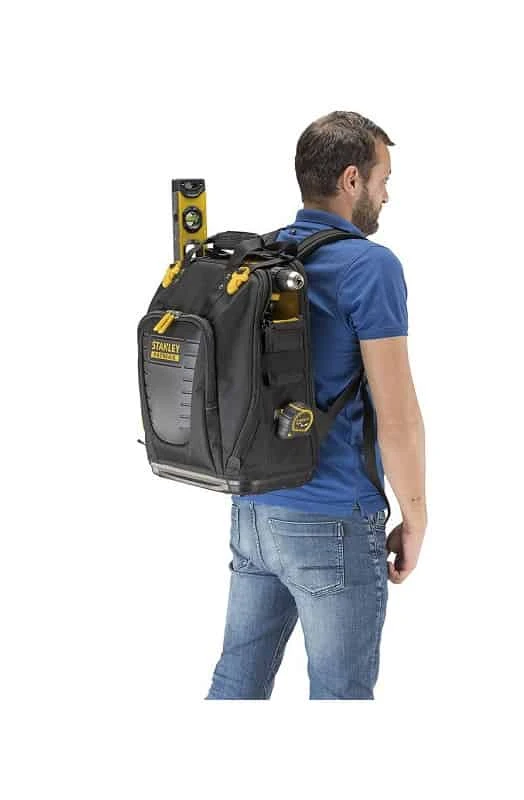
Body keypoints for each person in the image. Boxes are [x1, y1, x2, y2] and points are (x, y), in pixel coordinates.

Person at [205, 111, 427, 700]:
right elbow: (398, 415)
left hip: (254, 510)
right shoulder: (371, 267)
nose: (387, 194)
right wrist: (415, 517)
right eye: (383, 178)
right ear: (352, 180)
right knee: (341, 697)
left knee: (236, 682)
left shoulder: (263, 257)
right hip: (334, 519)